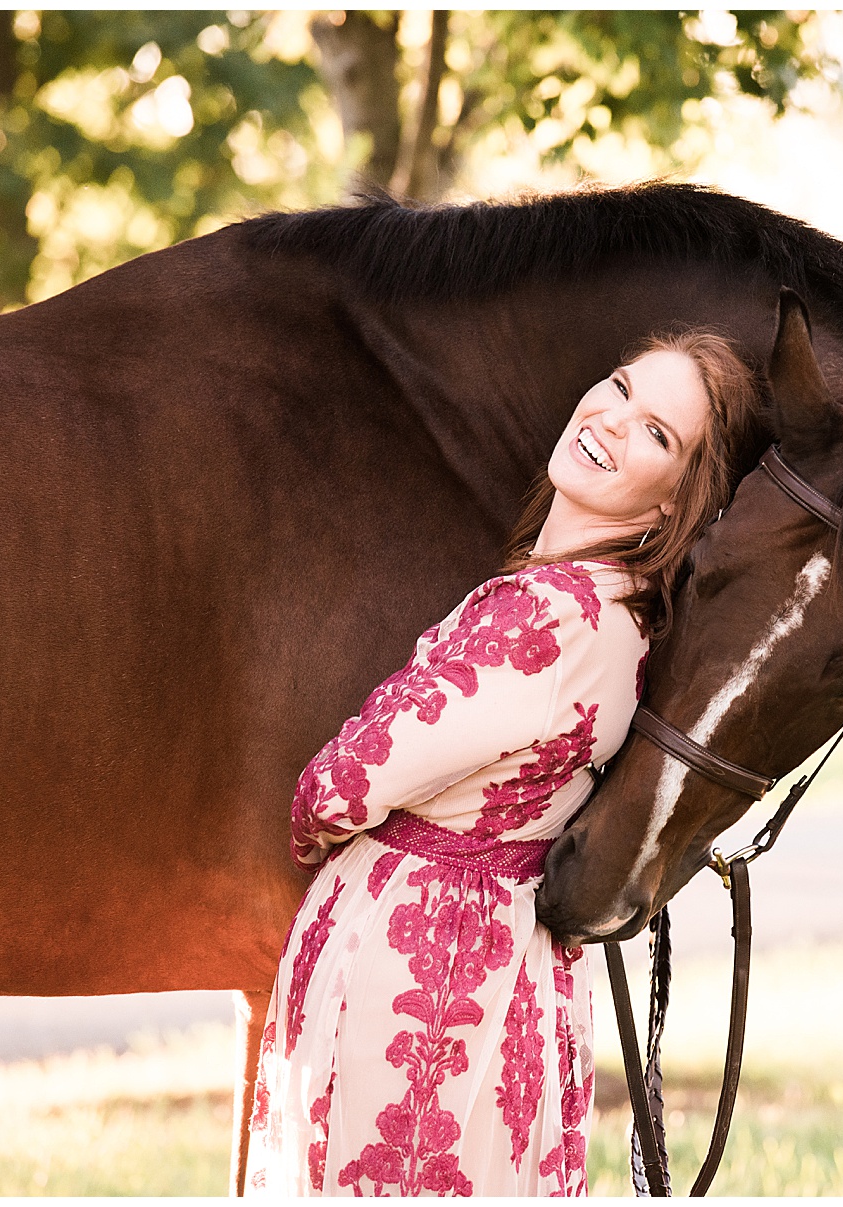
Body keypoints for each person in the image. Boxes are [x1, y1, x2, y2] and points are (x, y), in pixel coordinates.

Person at [244, 329, 765, 1196]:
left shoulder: (549, 618)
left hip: (424, 972)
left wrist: (321, 831)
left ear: (677, 503)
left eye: (658, 434)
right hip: (499, 967)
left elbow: (343, 782)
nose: (612, 418)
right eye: (620, 385)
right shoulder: (618, 616)